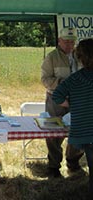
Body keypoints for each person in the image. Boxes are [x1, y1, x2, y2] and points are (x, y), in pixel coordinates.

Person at [41, 27, 84, 177]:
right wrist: (62, 83)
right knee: (54, 133)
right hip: (56, 100)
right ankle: (53, 166)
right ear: (59, 41)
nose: (69, 45)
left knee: (78, 130)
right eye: (66, 42)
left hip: (77, 99)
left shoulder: (81, 55)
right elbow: (45, 80)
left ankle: (73, 162)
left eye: (72, 42)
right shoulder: (51, 57)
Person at [52, 38, 93, 197]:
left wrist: (75, 104)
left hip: (86, 132)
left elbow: (57, 96)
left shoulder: (75, 79)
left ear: (80, 58)